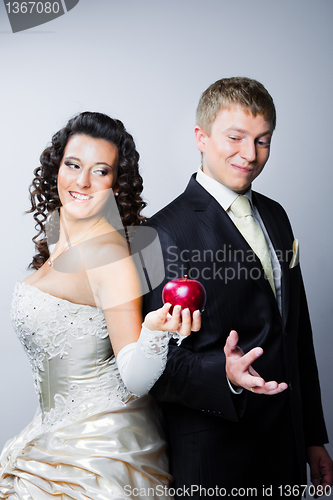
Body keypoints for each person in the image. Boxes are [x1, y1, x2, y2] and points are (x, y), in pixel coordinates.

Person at [143, 77, 333, 498]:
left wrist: (312, 438)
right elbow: (155, 367)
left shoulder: (277, 216)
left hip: (286, 452)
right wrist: (223, 374)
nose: (250, 155)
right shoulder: (159, 234)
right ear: (201, 137)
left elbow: (296, 334)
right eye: (236, 138)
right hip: (216, 459)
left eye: (263, 141)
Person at [0, 112, 200, 499]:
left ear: (116, 184)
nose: (82, 181)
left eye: (101, 171)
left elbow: (136, 379)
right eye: (73, 165)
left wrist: (155, 333)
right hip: (49, 436)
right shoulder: (59, 228)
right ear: (56, 166)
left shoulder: (110, 255)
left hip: (97, 454)